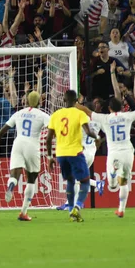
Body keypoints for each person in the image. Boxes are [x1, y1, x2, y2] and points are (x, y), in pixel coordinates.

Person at [76, 97, 135, 218]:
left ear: (109, 108)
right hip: (127, 152)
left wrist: (75, 104)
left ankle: (112, 174)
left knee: (112, 185)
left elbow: (88, 111)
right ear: (121, 107)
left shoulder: (105, 118)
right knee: (124, 182)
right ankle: (121, 210)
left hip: (114, 153)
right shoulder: (128, 116)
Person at [0, 91, 50, 221]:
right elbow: (52, 129)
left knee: (14, 175)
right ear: (40, 102)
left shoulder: (18, 113)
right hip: (32, 145)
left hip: (18, 144)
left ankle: (11, 186)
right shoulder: (42, 115)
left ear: (27, 101)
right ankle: (23, 212)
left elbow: (2, 130)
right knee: (31, 179)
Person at [46, 90, 99, 222]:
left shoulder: (55, 115)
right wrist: (97, 137)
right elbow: (88, 131)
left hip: (60, 154)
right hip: (75, 152)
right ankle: (77, 206)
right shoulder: (80, 114)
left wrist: (49, 157)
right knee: (85, 182)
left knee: (70, 181)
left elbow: (48, 139)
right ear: (76, 101)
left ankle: (70, 211)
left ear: (64, 100)